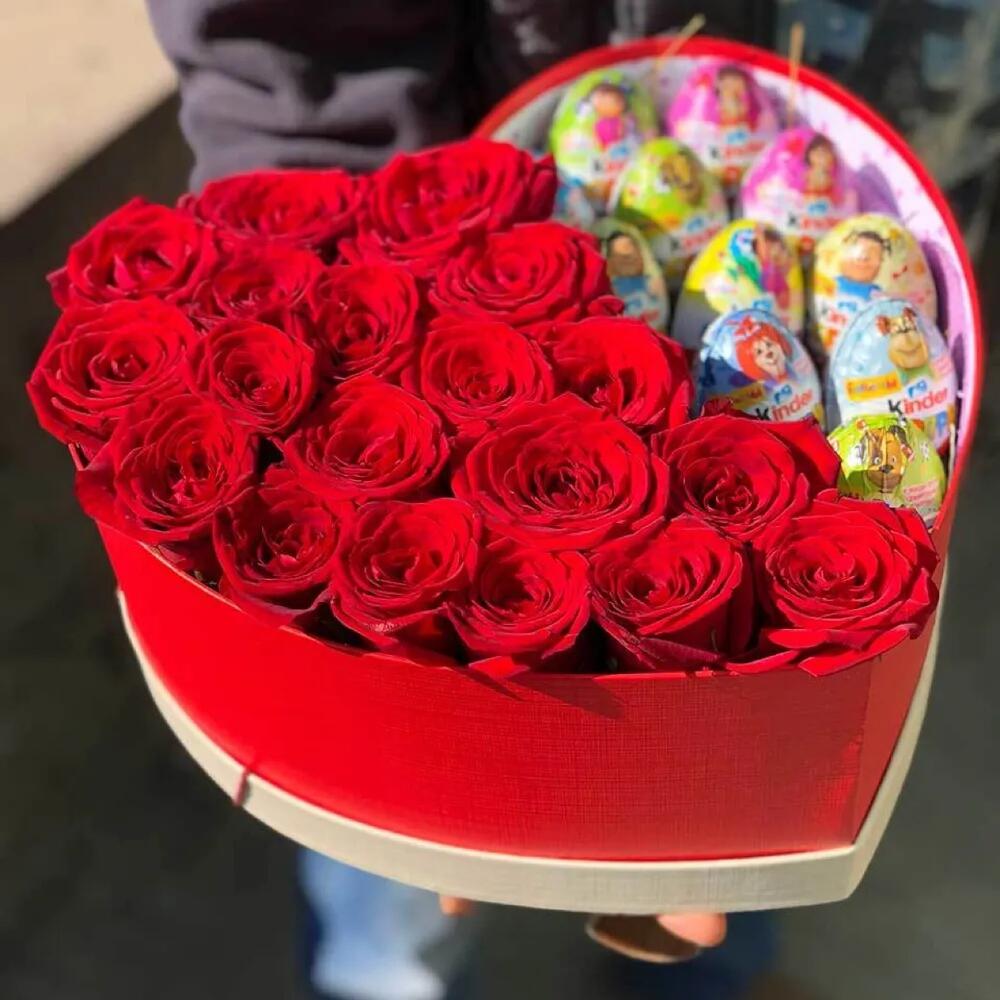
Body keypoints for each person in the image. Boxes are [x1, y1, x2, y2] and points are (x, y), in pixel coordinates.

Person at [144, 3, 758, 997]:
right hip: (418, 238)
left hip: (744, 138)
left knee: (747, 812)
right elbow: (288, 67)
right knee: (400, 857)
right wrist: (336, 292)